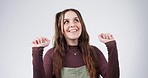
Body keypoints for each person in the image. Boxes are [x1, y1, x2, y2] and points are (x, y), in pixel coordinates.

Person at [32, 8, 119, 78]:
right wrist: (37, 51)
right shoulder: (52, 54)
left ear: (81, 25)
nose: (72, 25)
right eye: (66, 22)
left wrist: (111, 46)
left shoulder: (94, 52)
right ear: (61, 29)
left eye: (76, 20)